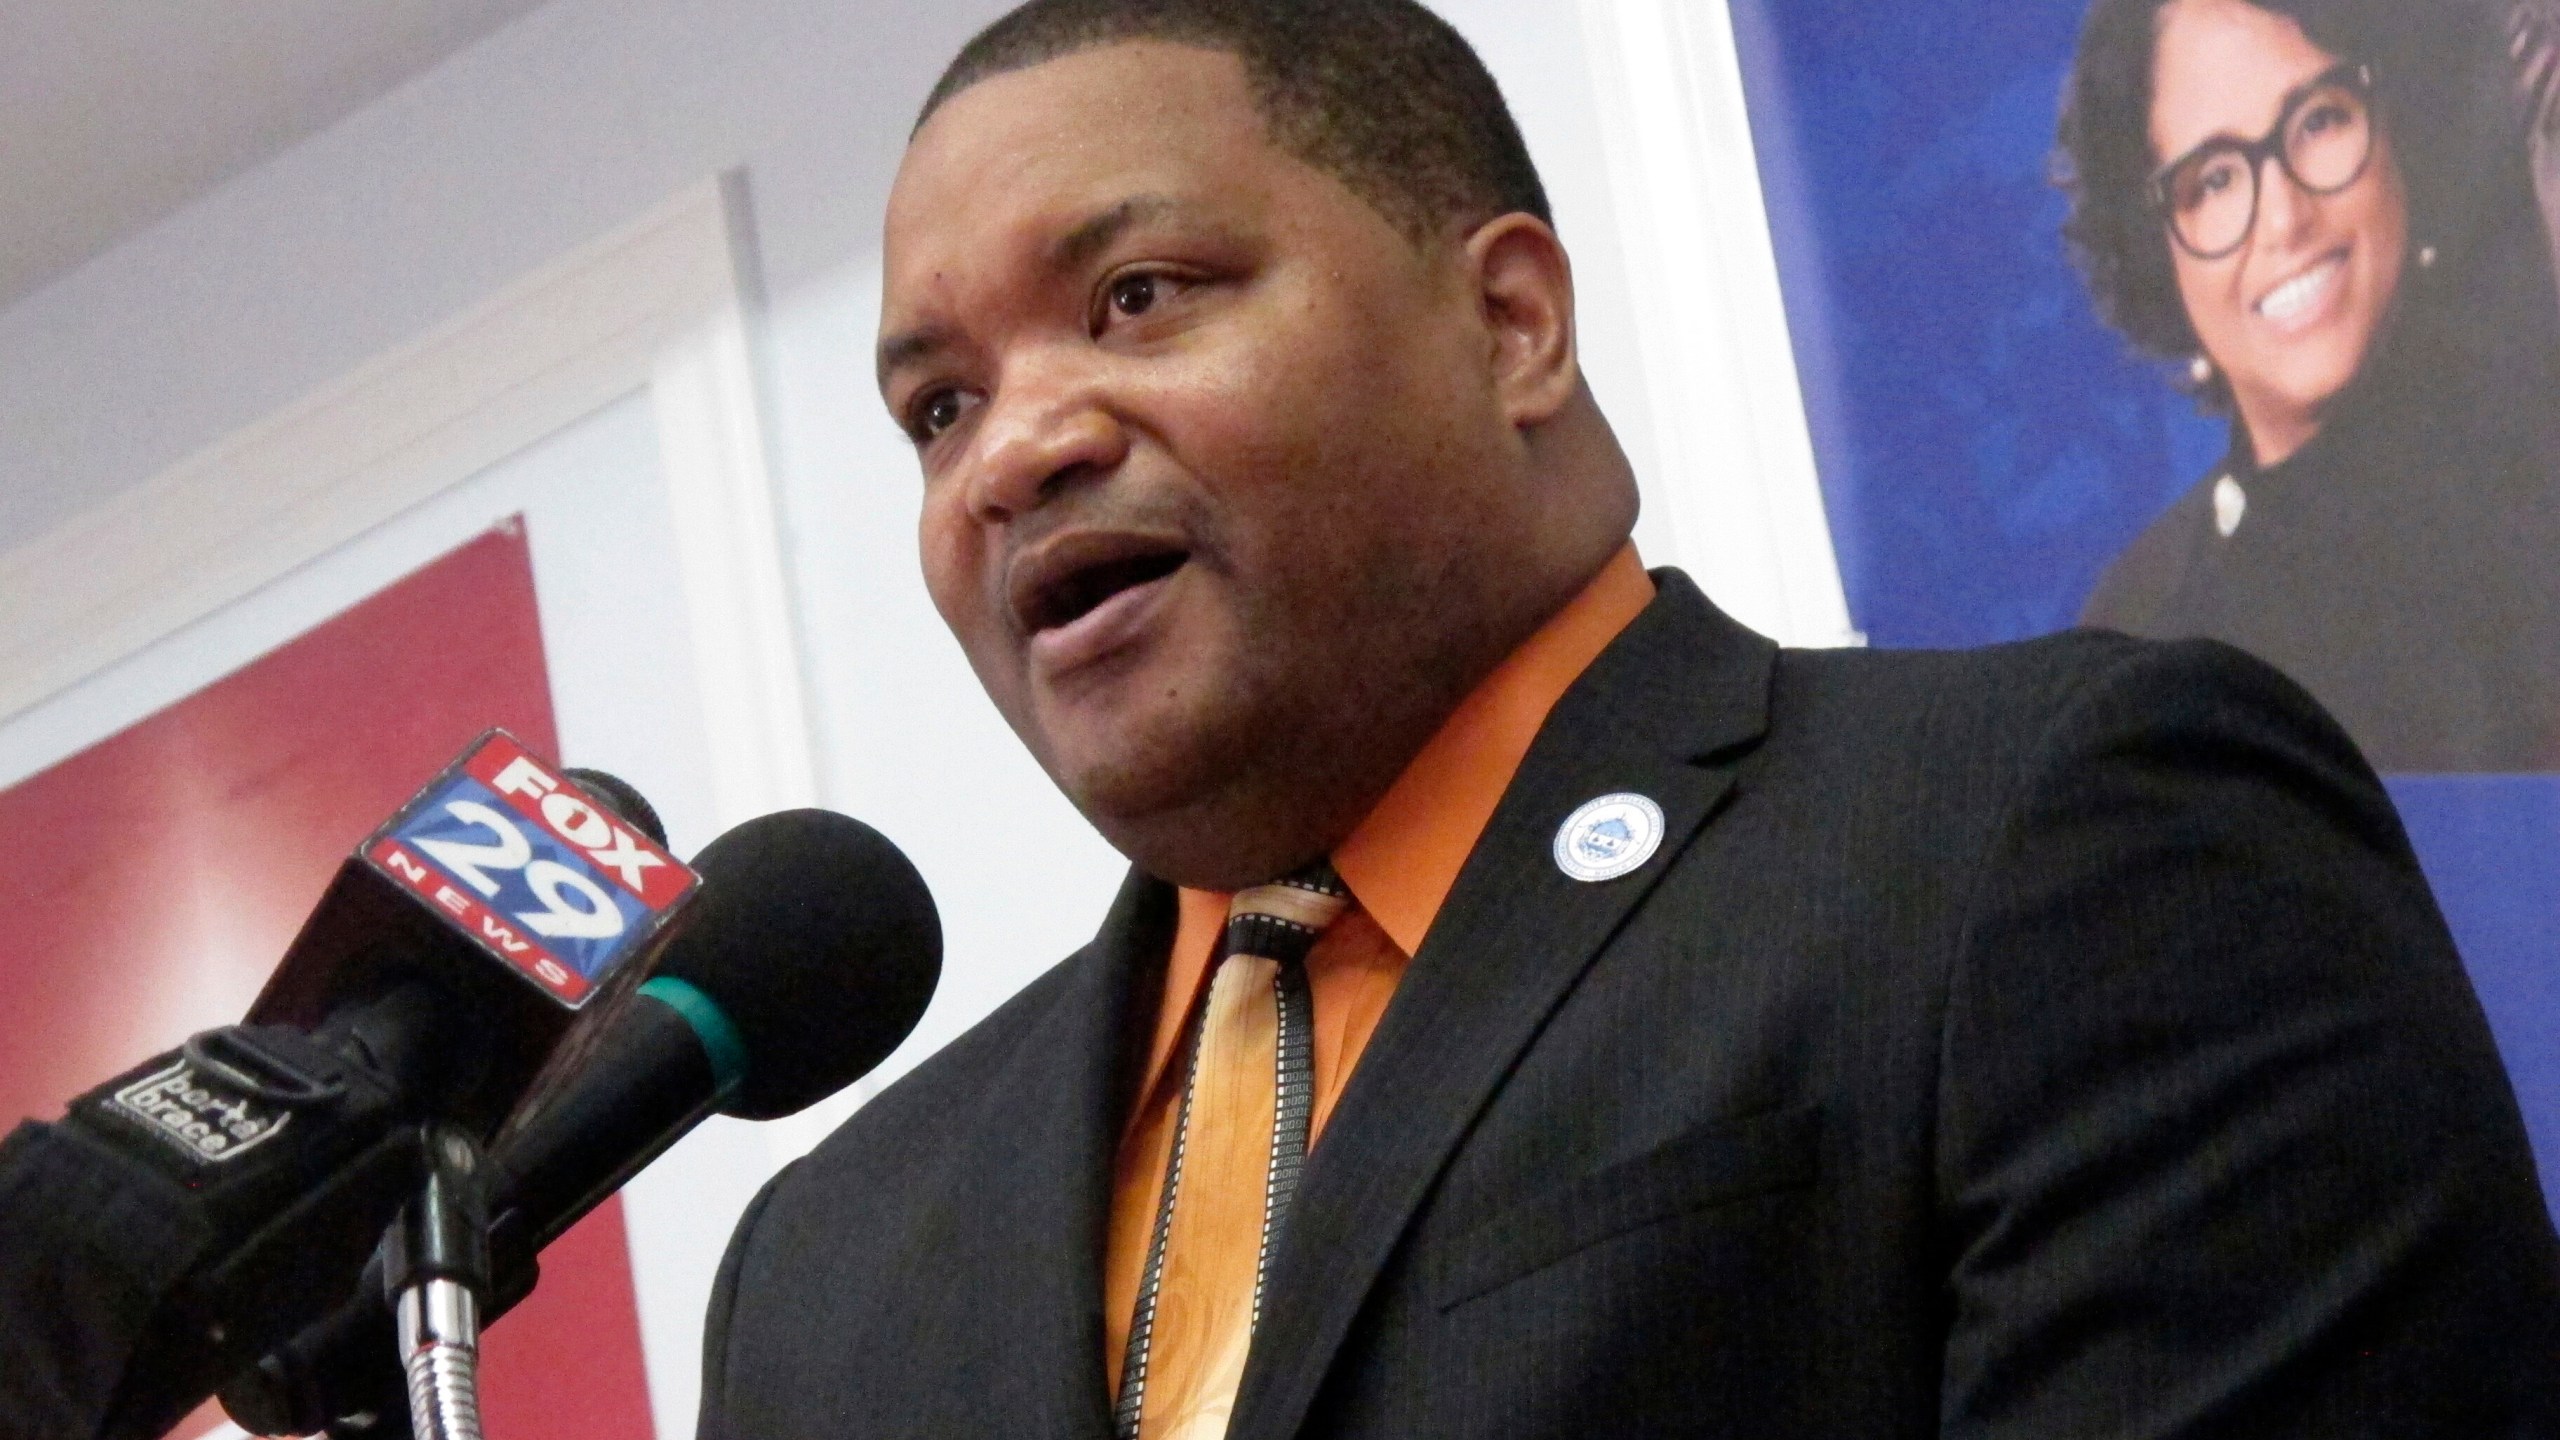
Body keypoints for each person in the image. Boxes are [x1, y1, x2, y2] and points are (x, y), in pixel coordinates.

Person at [699, 1, 2560, 1435]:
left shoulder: (2062, 840)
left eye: (1138, 295)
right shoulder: (831, 1268)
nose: (1015, 450)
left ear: (1510, 320)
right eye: (936, 411)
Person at [2060, 0, 2560, 770]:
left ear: (2397, 125)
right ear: (2157, 253)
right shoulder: (2141, 626)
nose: (2284, 218)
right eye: (2216, 179)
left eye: (2320, 121)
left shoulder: (2536, 482)